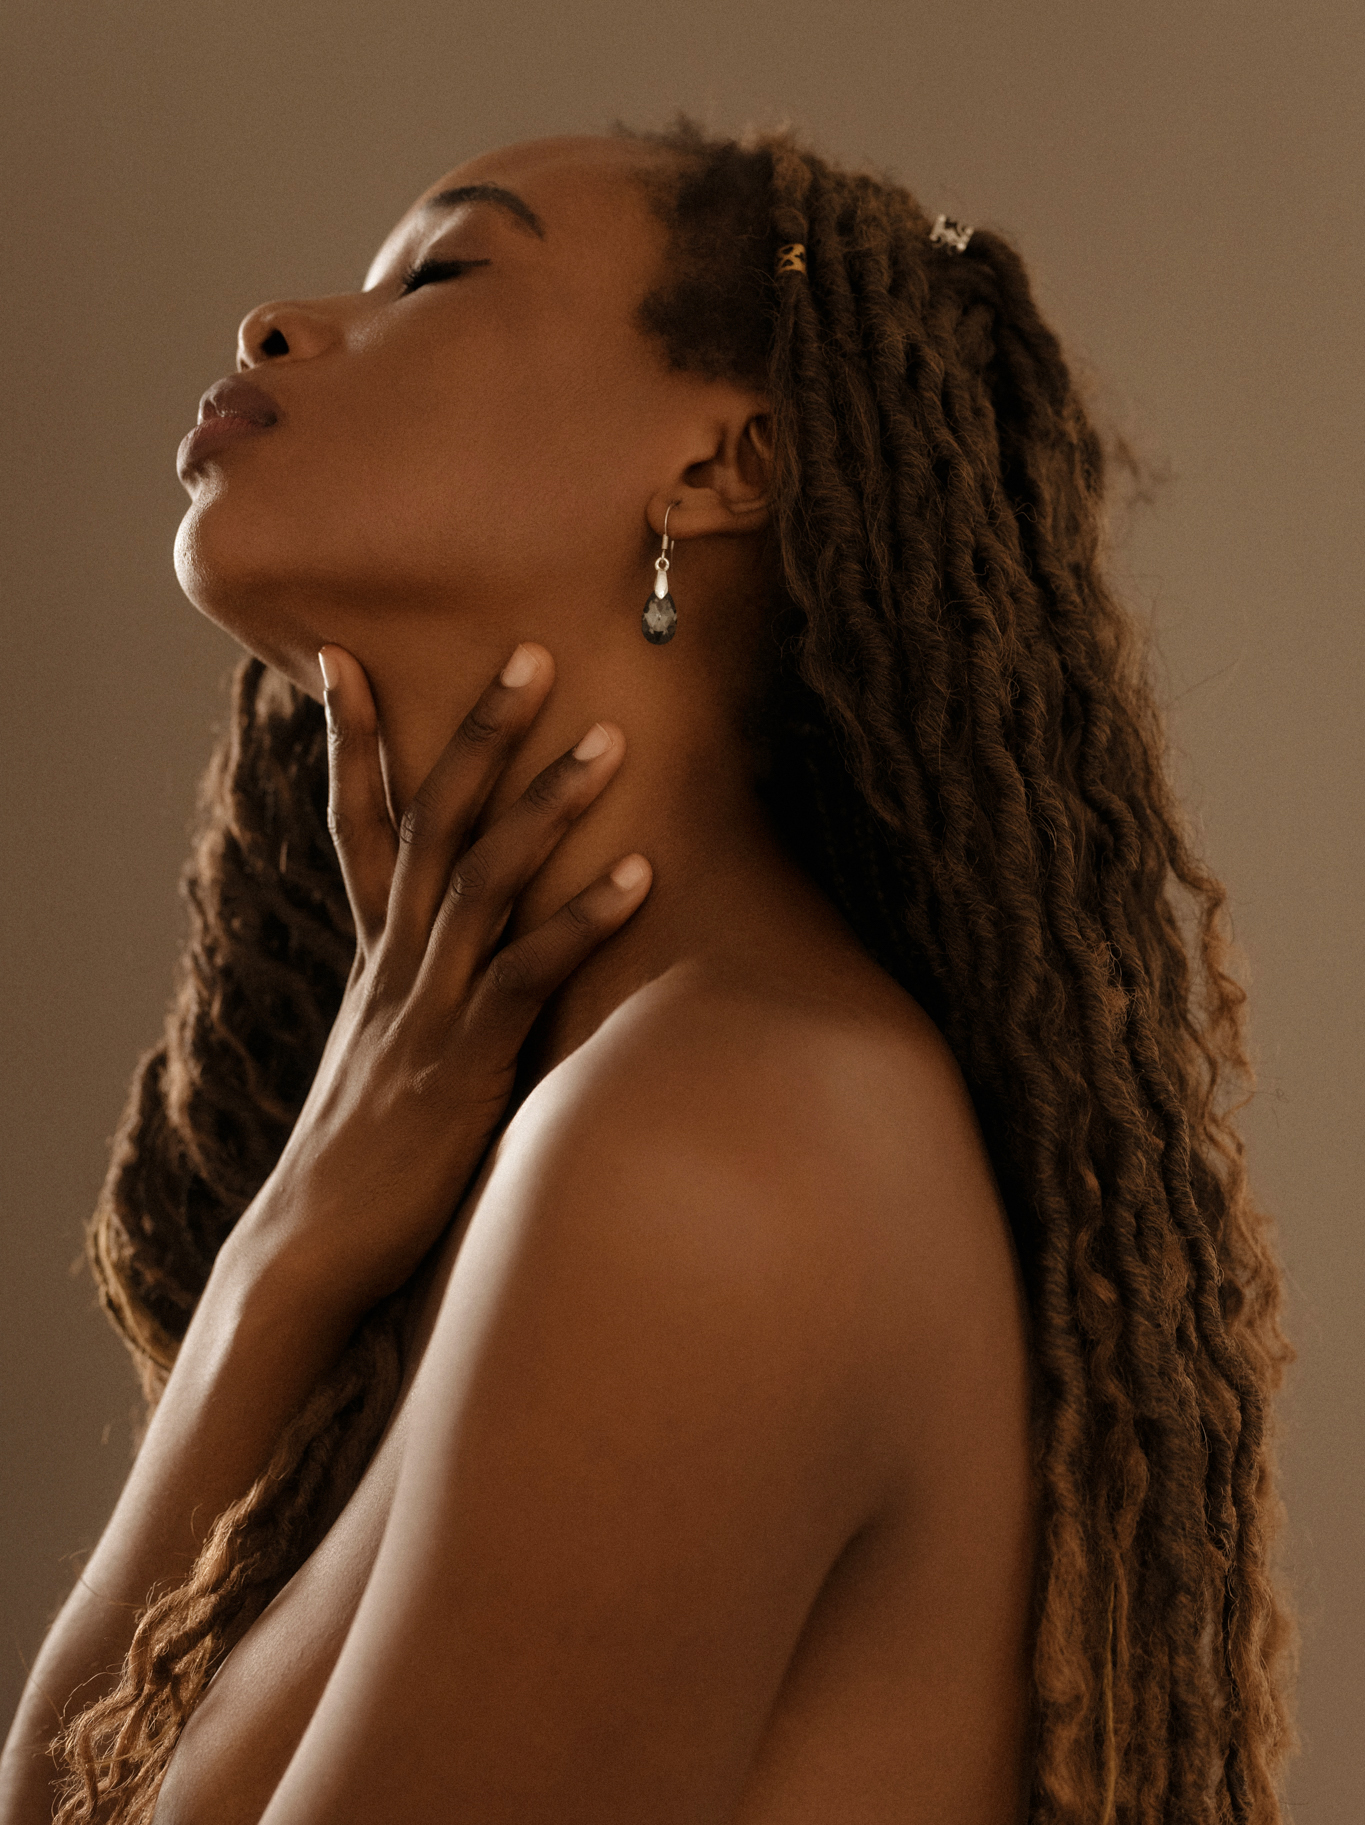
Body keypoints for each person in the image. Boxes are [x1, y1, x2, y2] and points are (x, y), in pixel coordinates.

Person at [0, 122, 1293, 1825]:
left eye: (442, 272)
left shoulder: (723, 1138)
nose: (275, 324)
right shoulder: (605, 1126)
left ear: (721, 464)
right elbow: (58, 1791)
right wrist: (286, 1248)